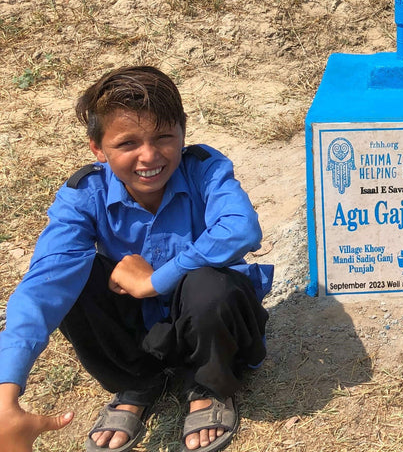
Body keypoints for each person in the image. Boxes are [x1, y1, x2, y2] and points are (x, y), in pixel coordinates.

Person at [0, 66, 273, 452]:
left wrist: (155, 279)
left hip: (215, 327)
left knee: (209, 282)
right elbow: (42, 286)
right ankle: (137, 382)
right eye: (127, 144)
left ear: (182, 132)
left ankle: (209, 386)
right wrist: (5, 394)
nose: (149, 156)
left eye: (163, 137)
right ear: (98, 148)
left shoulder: (204, 170)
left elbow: (241, 229)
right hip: (141, 330)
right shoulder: (84, 195)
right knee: (72, 279)